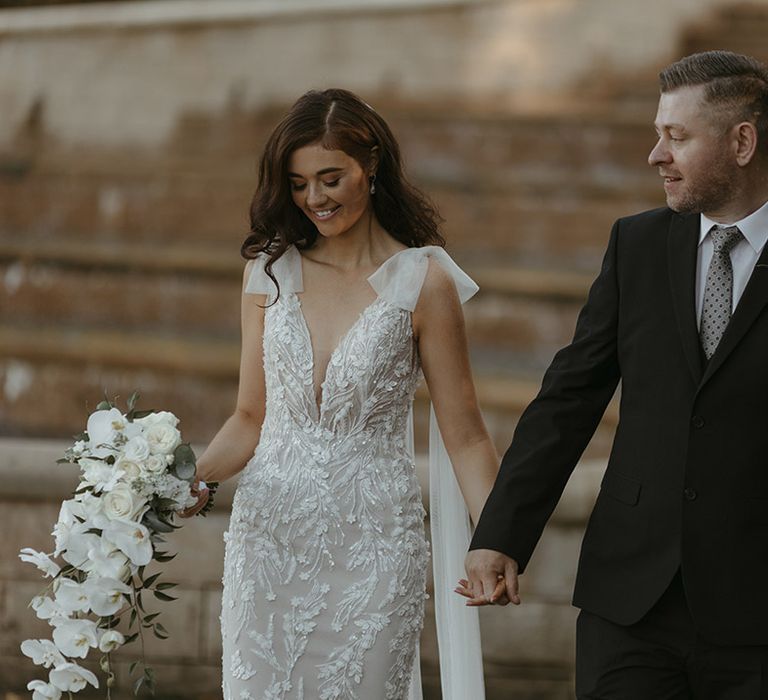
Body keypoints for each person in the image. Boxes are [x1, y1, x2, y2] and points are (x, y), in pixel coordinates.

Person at [460, 50, 768, 698]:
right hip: (630, 604)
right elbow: (566, 401)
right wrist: (500, 536)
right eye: (659, 134)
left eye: (676, 137)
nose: (656, 155)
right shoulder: (637, 244)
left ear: (743, 141)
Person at [181, 88, 499, 700]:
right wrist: (185, 479)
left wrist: (497, 539)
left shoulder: (423, 282)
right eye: (299, 184)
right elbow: (250, 418)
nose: (315, 199)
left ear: (371, 165)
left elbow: (466, 434)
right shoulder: (267, 274)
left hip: (375, 550)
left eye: (331, 178)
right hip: (267, 545)